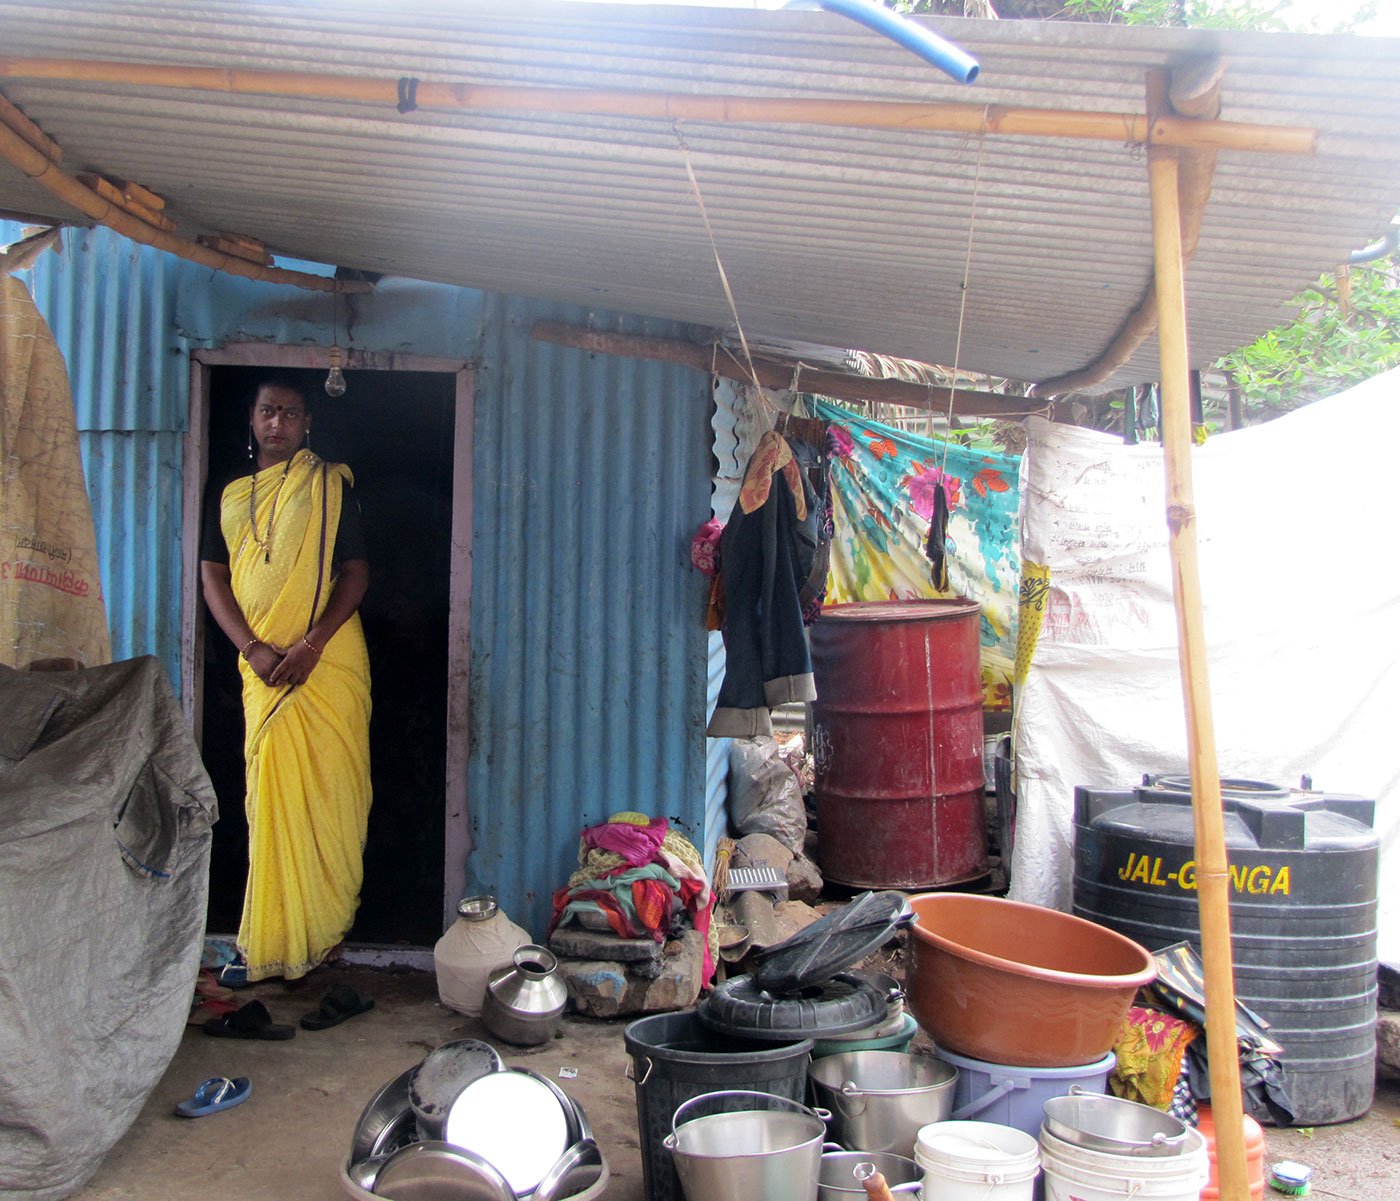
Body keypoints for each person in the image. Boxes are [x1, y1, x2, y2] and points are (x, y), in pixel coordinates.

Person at [200, 378, 372, 982]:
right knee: (270, 795)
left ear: (306, 425)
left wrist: (311, 643)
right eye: (268, 411)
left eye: (291, 414)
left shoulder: (328, 485)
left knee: (331, 792)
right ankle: (274, 943)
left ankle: (323, 934)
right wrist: (251, 649)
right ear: (251, 419)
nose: (278, 422)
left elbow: (355, 572)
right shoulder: (226, 494)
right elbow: (213, 576)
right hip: (263, 669)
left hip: (326, 664)